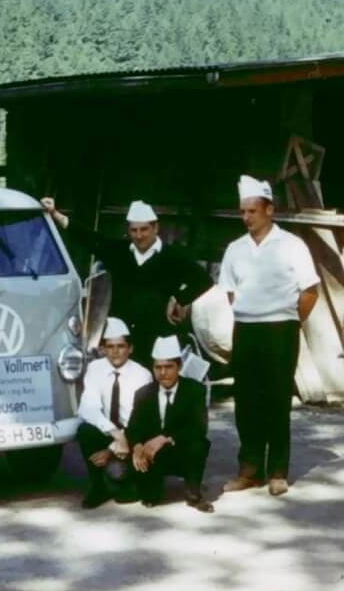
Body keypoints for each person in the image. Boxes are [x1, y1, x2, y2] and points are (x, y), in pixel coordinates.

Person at [219, 176, 319, 497]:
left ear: (269, 210)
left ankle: (277, 471)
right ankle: (249, 470)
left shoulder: (292, 246)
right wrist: (251, 313)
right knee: (246, 401)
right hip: (246, 329)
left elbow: (310, 291)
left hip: (281, 330)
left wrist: (290, 320)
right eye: (243, 212)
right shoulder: (235, 249)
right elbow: (231, 293)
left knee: (276, 400)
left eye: (252, 211)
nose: (246, 217)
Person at [40, 197, 213, 368]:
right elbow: (89, 238)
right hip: (122, 337)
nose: (139, 235)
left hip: (157, 338)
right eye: (134, 230)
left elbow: (204, 280)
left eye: (144, 229)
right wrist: (55, 214)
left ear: (155, 228)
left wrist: (179, 298)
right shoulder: (119, 252)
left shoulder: (173, 256)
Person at [126, 336, 214, 513]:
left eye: (168, 367)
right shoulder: (144, 394)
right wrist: (137, 446)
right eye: (158, 367)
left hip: (182, 449)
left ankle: (192, 489)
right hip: (153, 455)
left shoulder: (194, 390)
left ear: (179, 367)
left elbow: (199, 428)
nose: (163, 373)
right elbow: (133, 427)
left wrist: (165, 438)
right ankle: (152, 486)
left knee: (199, 445)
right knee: (148, 498)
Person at [75, 317, 153, 509]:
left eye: (120, 346)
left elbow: (139, 421)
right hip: (113, 432)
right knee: (85, 430)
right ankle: (97, 486)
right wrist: (115, 434)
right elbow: (87, 407)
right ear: (103, 349)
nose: (115, 351)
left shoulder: (142, 375)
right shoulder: (95, 368)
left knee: (123, 494)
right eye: (110, 347)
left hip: (133, 435)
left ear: (130, 348)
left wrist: (110, 450)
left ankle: (131, 481)